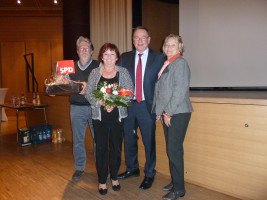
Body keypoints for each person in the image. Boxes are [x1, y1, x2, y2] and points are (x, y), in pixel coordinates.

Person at [118, 26, 165, 190]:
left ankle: (150, 173)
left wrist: (160, 108)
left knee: (149, 141)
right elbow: (119, 81)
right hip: (129, 105)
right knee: (129, 139)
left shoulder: (159, 58)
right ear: (133, 40)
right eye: (136, 37)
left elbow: (163, 85)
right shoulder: (124, 57)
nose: (139, 40)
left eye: (143, 37)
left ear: (149, 40)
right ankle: (132, 169)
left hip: (148, 107)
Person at [84, 43, 133, 195]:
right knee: (101, 149)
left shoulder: (123, 72)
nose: (109, 57)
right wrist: (99, 101)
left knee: (116, 149)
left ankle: (115, 177)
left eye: (112, 54)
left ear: (117, 57)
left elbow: (129, 92)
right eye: (106, 54)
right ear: (102, 57)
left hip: (118, 117)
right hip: (99, 117)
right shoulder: (94, 73)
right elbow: (89, 93)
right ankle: (102, 180)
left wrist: (115, 102)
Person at [152, 34, 193, 200]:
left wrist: (168, 112)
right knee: (172, 149)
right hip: (169, 112)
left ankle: (179, 189)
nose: (169, 47)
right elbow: (161, 91)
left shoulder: (180, 63)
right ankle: (176, 182)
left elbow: (179, 90)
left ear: (180, 47)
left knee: (174, 150)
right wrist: (158, 112)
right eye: (167, 45)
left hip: (178, 112)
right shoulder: (168, 64)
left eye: (173, 45)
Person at [70, 36, 100, 182]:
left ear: (92, 50)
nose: (83, 50)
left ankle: (101, 167)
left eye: (86, 48)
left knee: (98, 140)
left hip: (95, 107)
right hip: (76, 108)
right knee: (78, 140)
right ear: (77, 51)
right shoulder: (69, 67)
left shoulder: (98, 65)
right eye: (80, 48)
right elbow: (62, 85)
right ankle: (79, 168)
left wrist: (87, 86)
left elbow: (104, 85)